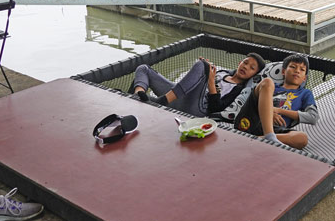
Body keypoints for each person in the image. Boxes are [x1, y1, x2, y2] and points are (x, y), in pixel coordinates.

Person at [131, 53, 266, 117]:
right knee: (144, 69)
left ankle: (162, 101)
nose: (246, 67)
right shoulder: (223, 72)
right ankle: (138, 95)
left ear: (253, 75)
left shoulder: (238, 90)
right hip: (180, 96)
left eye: (252, 68)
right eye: (246, 62)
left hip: (198, 108)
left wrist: (210, 81)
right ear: (239, 63)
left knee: (203, 66)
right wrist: (202, 70)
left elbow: (216, 108)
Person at [234, 54, 318, 150]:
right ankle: (269, 136)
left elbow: (313, 117)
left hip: (277, 130)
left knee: (302, 138)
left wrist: (278, 110)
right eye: (293, 67)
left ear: (304, 78)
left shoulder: (305, 93)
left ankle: (257, 139)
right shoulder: (269, 86)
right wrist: (269, 113)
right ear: (283, 71)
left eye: (302, 70)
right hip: (252, 120)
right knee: (267, 82)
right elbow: (251, 103)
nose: (297, 71)